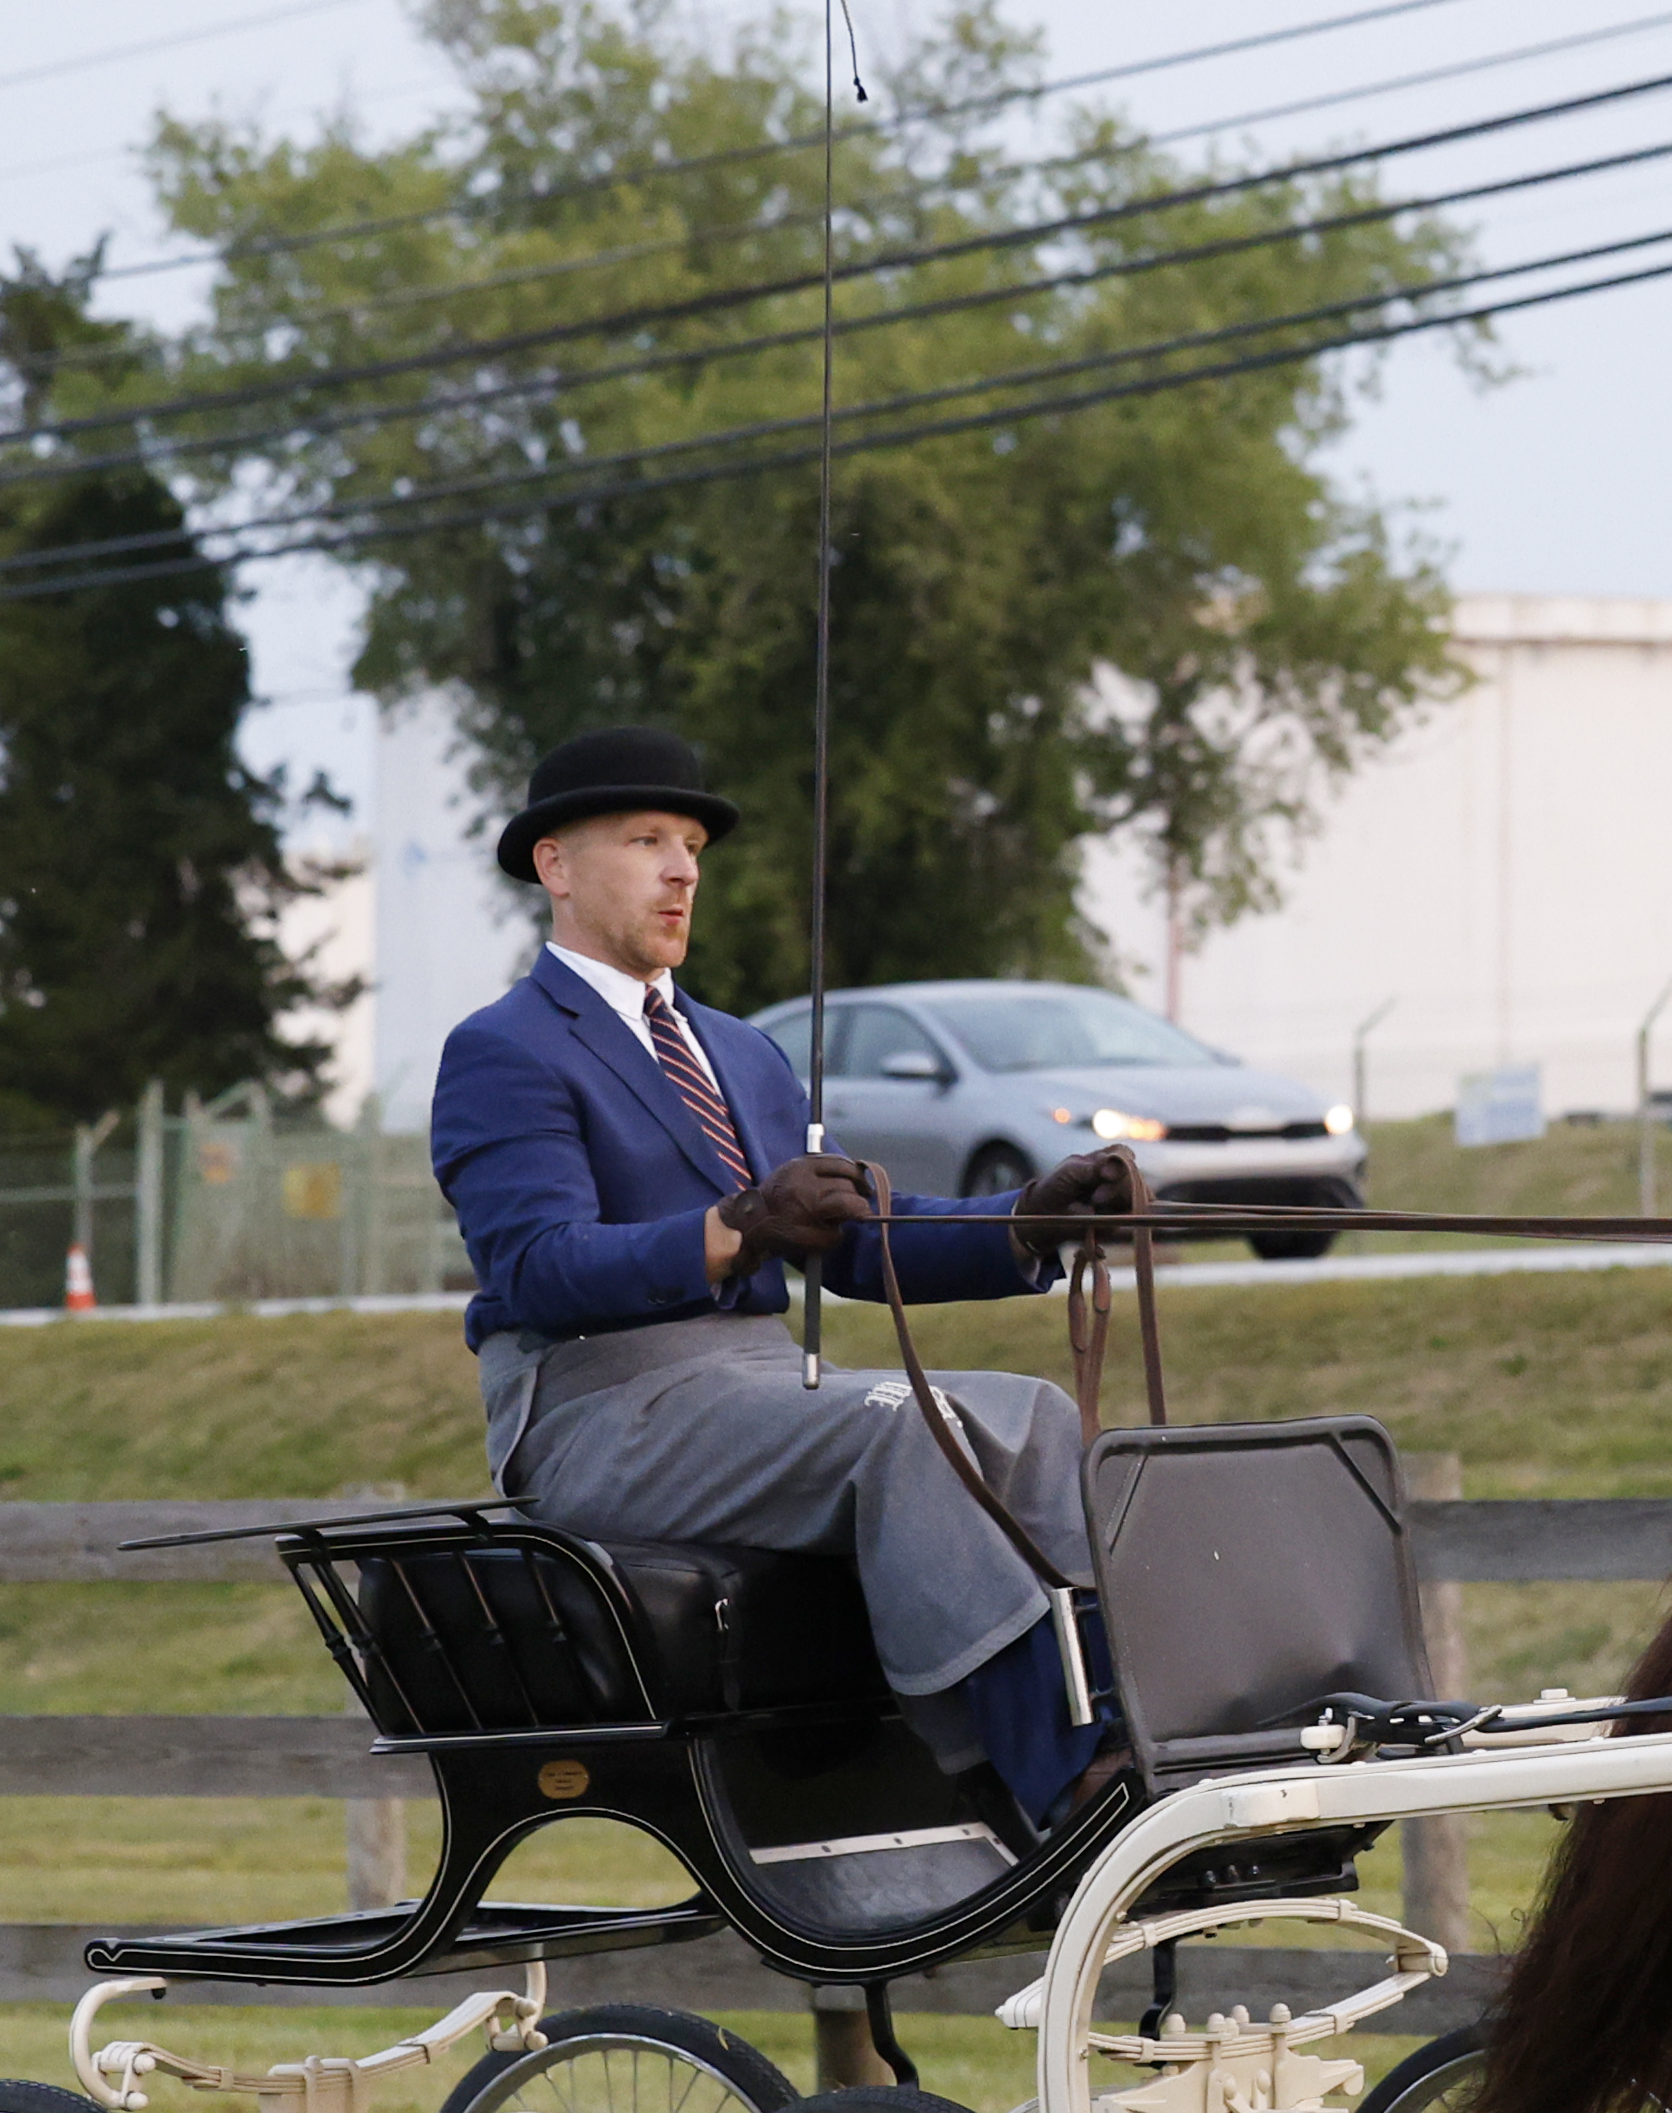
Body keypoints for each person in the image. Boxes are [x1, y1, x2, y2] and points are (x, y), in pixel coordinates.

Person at [427, 725, 1145, 1832]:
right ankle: (1050, 1779)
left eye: (694, 845)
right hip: (600, 1409)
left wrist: (1028, 1217)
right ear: (554, 865)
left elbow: (854, 1242)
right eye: (647, 840)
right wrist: (735, 1224)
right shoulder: (506, 1048)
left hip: (753, 1387)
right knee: (912, 1427)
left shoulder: (739, 1051)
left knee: (1031, 1412)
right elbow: (538, 1268)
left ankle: (1122, 1720)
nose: (682, 870)